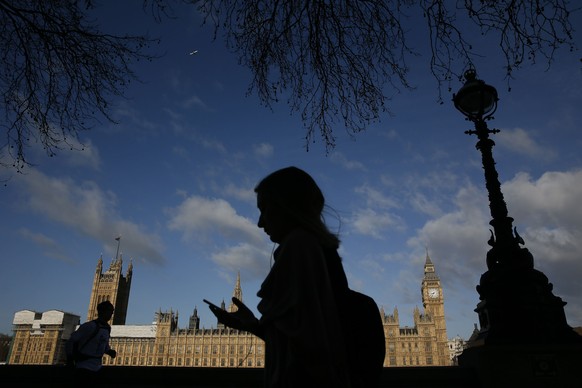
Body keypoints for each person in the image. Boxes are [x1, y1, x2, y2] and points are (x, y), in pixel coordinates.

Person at [208, 166, 383, 387]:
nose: (260, 222)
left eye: (265, 209)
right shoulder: (319, 252)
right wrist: (253, 325)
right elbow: (304, 337)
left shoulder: (300, 246)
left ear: (286, 207)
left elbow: (309, 353)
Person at [65, 300, 117, 386]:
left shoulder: (107, 328)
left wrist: (109, 351)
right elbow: (71, 342)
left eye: (112, 312)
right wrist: (70, 359)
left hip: (97, 367)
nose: (111, 314)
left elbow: (104, 344)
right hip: (83, 367)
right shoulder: (89, 326)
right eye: (110, 311)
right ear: (101, 311)